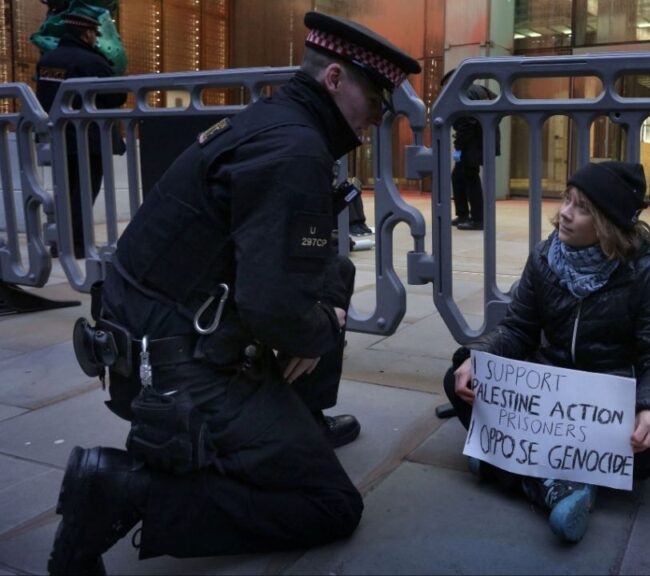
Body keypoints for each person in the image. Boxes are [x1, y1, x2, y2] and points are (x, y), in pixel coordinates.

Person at [49, 12, 420, 574]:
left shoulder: (274, 121)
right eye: (375, 99)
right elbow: (275, 310)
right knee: (331, 505)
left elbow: (285, 273)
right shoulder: (295, 151)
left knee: (333, 273)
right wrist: (326, 326)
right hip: (176, 371)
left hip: (150, 336)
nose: (377, 117)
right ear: (335, 79)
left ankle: (297, 426)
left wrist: (313, 315)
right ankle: (123, 490)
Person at [442, 161, 650, 543]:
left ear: (607, 223)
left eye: (582, 207)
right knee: (458, 379)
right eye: (567, 200)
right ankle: (555, 482)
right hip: (547, 398)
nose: (564, 214)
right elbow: (517, 329)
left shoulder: (646, 273)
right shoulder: (544, 258)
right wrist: (476, 357)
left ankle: (512, 467)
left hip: (605, 404)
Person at [35, 12, 127, 259]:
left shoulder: (49, 59)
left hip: (58, 137)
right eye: (94, 34)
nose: (96, 39)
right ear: (86, 33)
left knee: (63, 191)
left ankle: (60, 243)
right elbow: (117, 96)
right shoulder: (92, 61)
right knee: (84, 194)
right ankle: (78, 244)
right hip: (89, 139)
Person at [441, 69, 499, 230]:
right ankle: (463, 214)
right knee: (460, 176)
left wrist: (458, 148)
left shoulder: (464, 92)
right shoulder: (481, 90)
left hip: (471, 145)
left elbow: (466, 123)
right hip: (483, 141)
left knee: (469, 177)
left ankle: (478, 218)